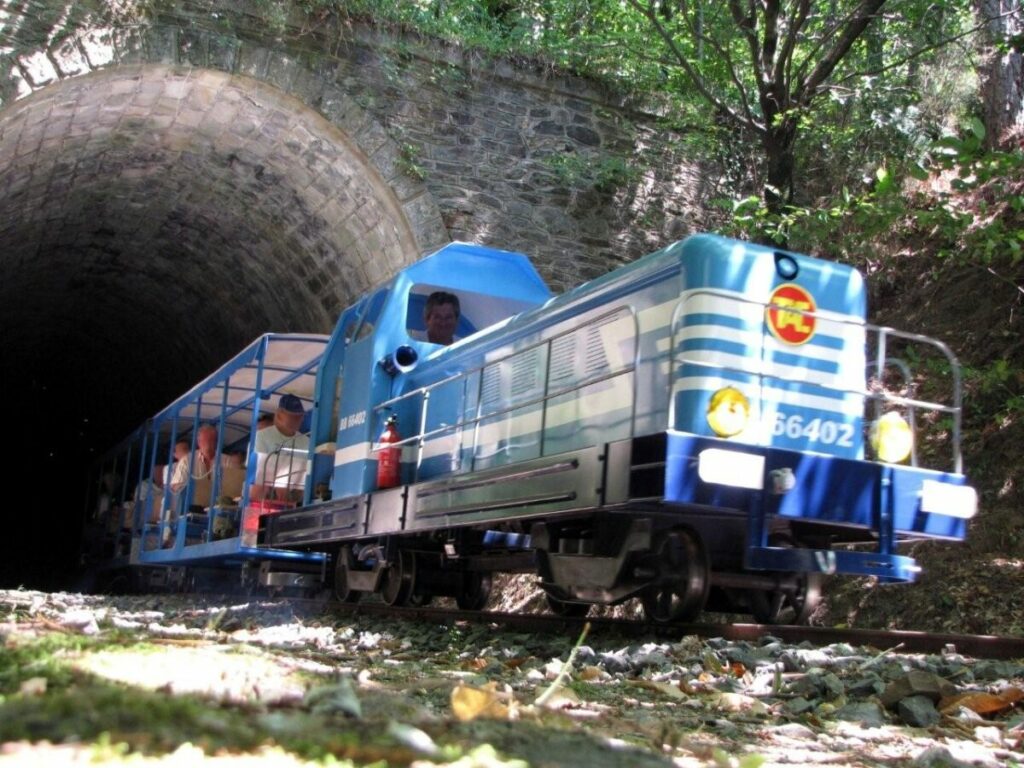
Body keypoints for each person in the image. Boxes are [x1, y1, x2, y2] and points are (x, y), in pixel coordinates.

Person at [252, 394, 310, 501]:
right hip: (267, 490)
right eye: (292, 416)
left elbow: (306, 472)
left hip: (294, 492)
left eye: (300, 416)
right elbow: (258, 468)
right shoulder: (262, 436)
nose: (297, 420)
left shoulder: (306, 442)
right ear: (279, 415)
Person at [170, 424, 225, 493]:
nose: (208, 443)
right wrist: (192, 486)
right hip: (193, 502)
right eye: (205, 440)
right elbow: (175, 487)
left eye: (212, 440)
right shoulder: (187, 460)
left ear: (216, 442)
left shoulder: (227, 460)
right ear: (198, 442)